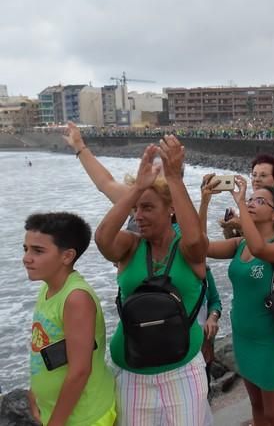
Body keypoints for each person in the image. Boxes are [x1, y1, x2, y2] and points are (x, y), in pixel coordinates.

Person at [95, 137, 209, 425]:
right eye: (136, 209)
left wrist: (172, 177)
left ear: (170, 209)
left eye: (147, 208)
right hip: (132, 373)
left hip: (182, 372)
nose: (138, 216)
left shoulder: (187, 248)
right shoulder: (130, 245)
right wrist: (137, 190)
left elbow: (195, 237)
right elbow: (102, 239)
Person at [204, 176, 274, 426]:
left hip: (270, 342)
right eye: (251, 200)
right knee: (256, 406)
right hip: (242, 338)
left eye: (259, 201)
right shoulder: (239, 243)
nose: (252, 203)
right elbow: (200, 246)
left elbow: (260, 249)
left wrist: (241, 203)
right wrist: (204, 200)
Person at [25, 212, 116, 426]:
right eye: (26, 248)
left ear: (67, 256)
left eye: (38, 251)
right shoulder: (48, 288)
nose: (26, 257)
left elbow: (80, 371)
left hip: (84, 416)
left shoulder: (75, 299)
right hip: (58, 413)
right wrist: (33, 393)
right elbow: (44, 347)